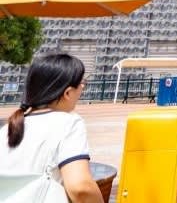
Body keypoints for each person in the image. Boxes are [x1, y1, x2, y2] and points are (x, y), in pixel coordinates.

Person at [0, 53, 102, 203]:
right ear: (67, 93)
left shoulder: (8, 128)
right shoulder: (69, 123)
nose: (83, 87)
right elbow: (81, 188)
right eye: (82, 82)